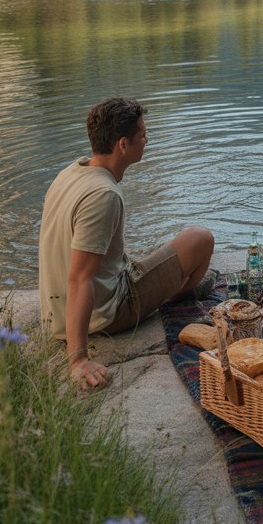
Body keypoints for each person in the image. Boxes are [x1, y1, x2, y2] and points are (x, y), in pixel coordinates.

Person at [38, 97, 215, 390]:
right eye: (142, 134)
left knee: (153, 253)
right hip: (107, 312)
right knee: (201, 239)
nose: (147, 139)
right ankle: (176, 294)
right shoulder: (103, 195)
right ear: (123, 144)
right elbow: (80, 278)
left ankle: (172, 286)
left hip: (54, 309)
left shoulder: (72, 171)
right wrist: (78, 359)